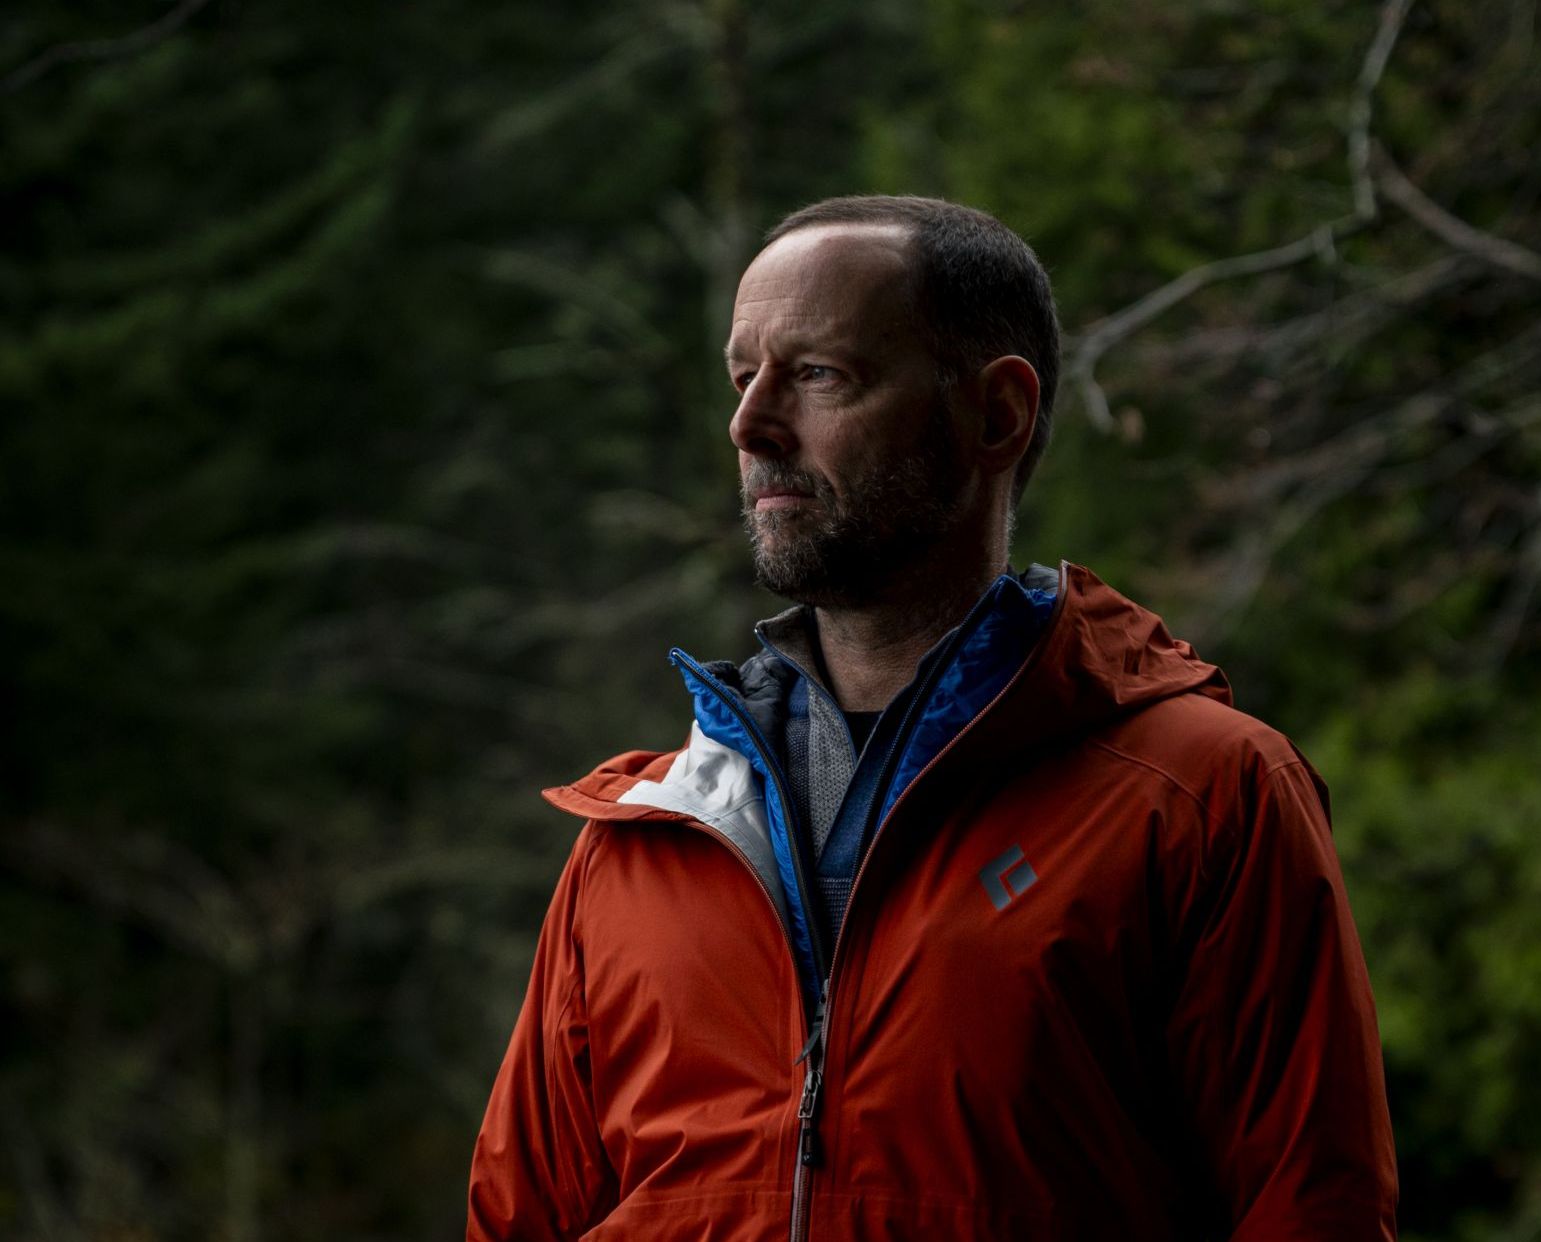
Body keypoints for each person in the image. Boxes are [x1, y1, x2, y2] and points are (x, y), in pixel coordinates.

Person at [466, 195, 1398, 1240]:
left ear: (995, 414)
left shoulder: (1200, 796)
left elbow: (1314, 1212)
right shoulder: (641, 843)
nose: (750, 423)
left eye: (819, 375)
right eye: (743, 377)